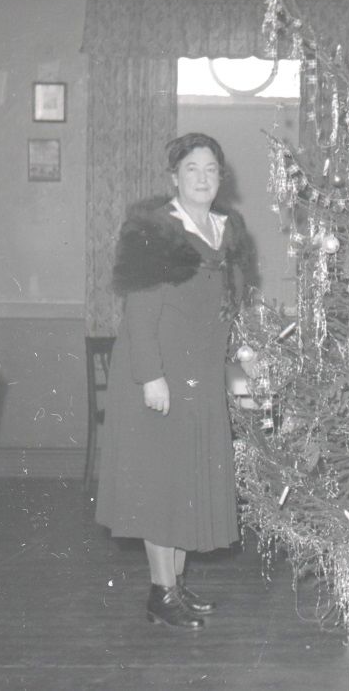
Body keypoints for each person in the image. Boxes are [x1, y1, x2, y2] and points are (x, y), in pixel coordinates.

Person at [95, 132, 254, 630]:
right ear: (174, 177)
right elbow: (140, 312)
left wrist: (240, 353)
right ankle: (161, 593)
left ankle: (174, 587)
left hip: (201, 376)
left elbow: (228, 304)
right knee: (161, 485)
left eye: (211, 169)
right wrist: (151, 377)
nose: (202, 178)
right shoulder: (155, 229)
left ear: (221, 177)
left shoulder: (227, 230)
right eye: (191, 169)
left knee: (187, 483)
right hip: (158, 374)